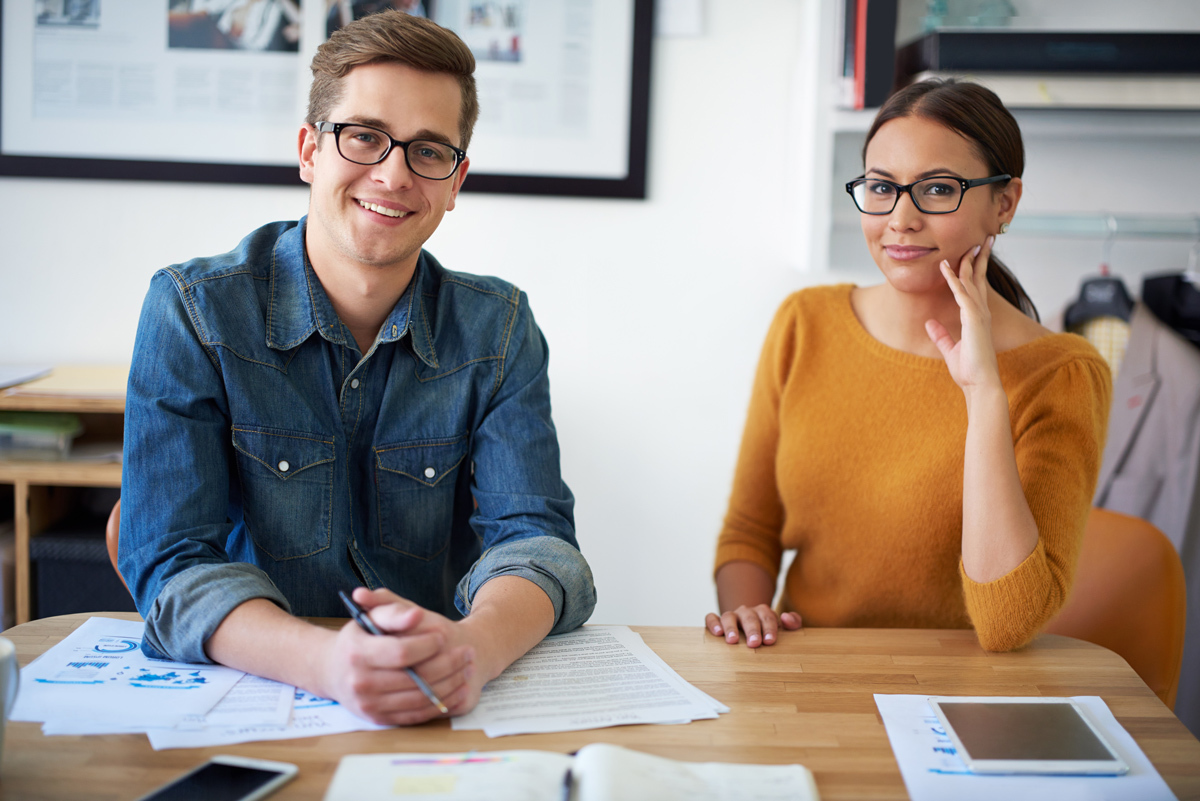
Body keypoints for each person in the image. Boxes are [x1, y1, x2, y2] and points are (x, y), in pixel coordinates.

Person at [120, 10, 595, 726]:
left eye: (429, 150)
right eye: (364, 136)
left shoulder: (498, 328)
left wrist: (472, 649)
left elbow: (536, 540)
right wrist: (328, 663)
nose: (394, 173)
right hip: (260, 691)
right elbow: (170, 563)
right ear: (310, 149)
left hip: (440, 699)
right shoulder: (193, 312)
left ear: (456, 178)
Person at [706, 79, 1111, 653]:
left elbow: (1007, 624)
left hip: (956, 702)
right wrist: (747, 617)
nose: (900, 218)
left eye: (938, 189)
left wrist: (984, 394)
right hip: (806, 680)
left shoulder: (1062, 375)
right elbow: (750, 531)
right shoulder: (805, 324)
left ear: (1004, 203)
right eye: (881, 188)